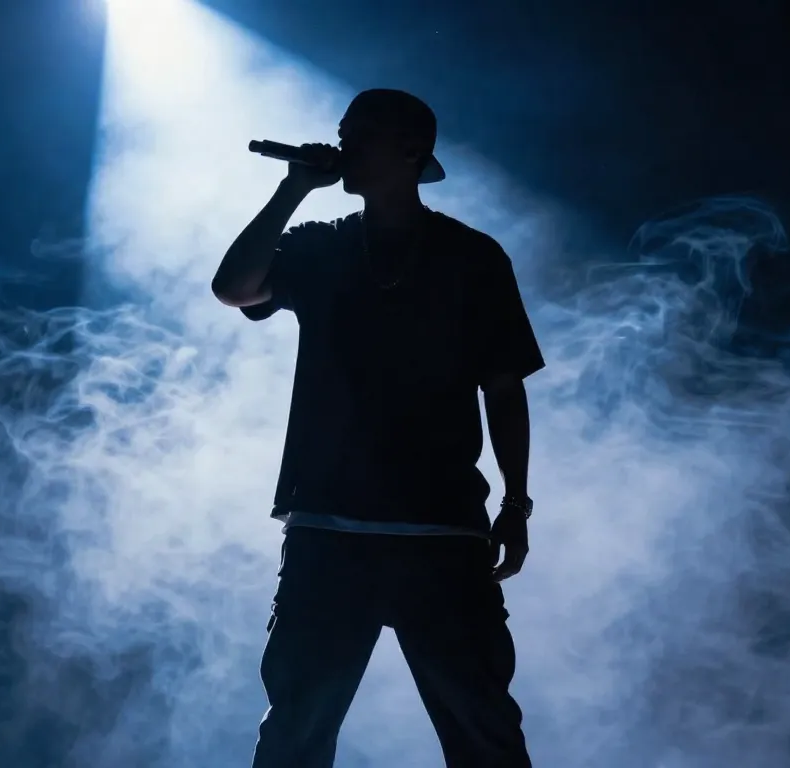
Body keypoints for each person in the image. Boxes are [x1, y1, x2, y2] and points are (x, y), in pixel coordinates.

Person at [212, 88, 543, 768]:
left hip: (441, 530)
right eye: (344, 132)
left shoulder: (472, 257)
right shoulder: (319, 245)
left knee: (484, 730)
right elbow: (234, 288)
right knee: (296, 731)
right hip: (329, 528)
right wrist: (292, 190)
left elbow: (504, 388)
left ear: (411, 151)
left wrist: (516, 502)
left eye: (360, 134)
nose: (344, 144)